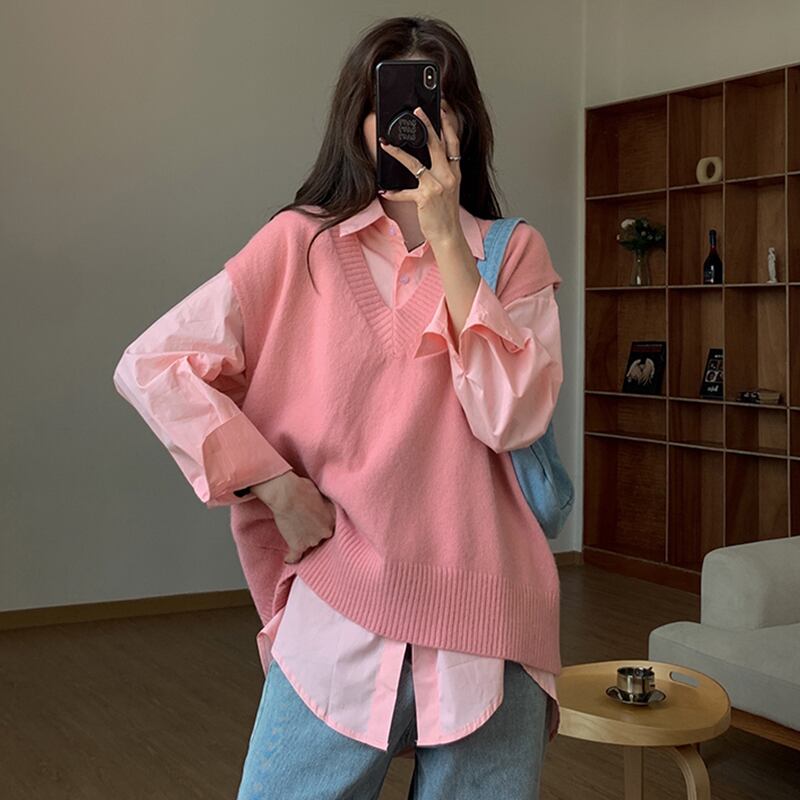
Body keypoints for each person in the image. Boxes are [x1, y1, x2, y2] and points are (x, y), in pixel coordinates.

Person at [113, 15, 565, 800]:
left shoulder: (512, 253)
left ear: (465, 124)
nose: (416, 122)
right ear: (358, 120)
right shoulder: (299, 246)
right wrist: (273, 485)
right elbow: (154, 366)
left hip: (491, 625)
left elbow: (512, 418)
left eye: (438, 102)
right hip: (341, 610)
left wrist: (448, 240)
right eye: (392, 101)